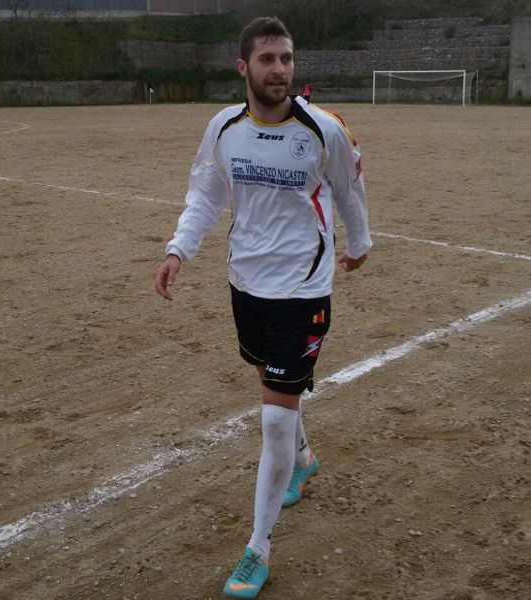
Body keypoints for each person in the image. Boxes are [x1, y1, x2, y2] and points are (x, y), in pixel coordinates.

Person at [155, 16, 371, 599]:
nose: (280, 69)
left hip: (303, 289)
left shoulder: (324, 128)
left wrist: (360, 243)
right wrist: (179, 250)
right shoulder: (224, 128)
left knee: (274, 416)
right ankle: (303, 458)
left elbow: (350, 189)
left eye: (287, 58)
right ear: (243, 67)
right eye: (268, 59)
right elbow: (206, 193)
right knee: (271, 384)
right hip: (246, 284)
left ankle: (258, 549)